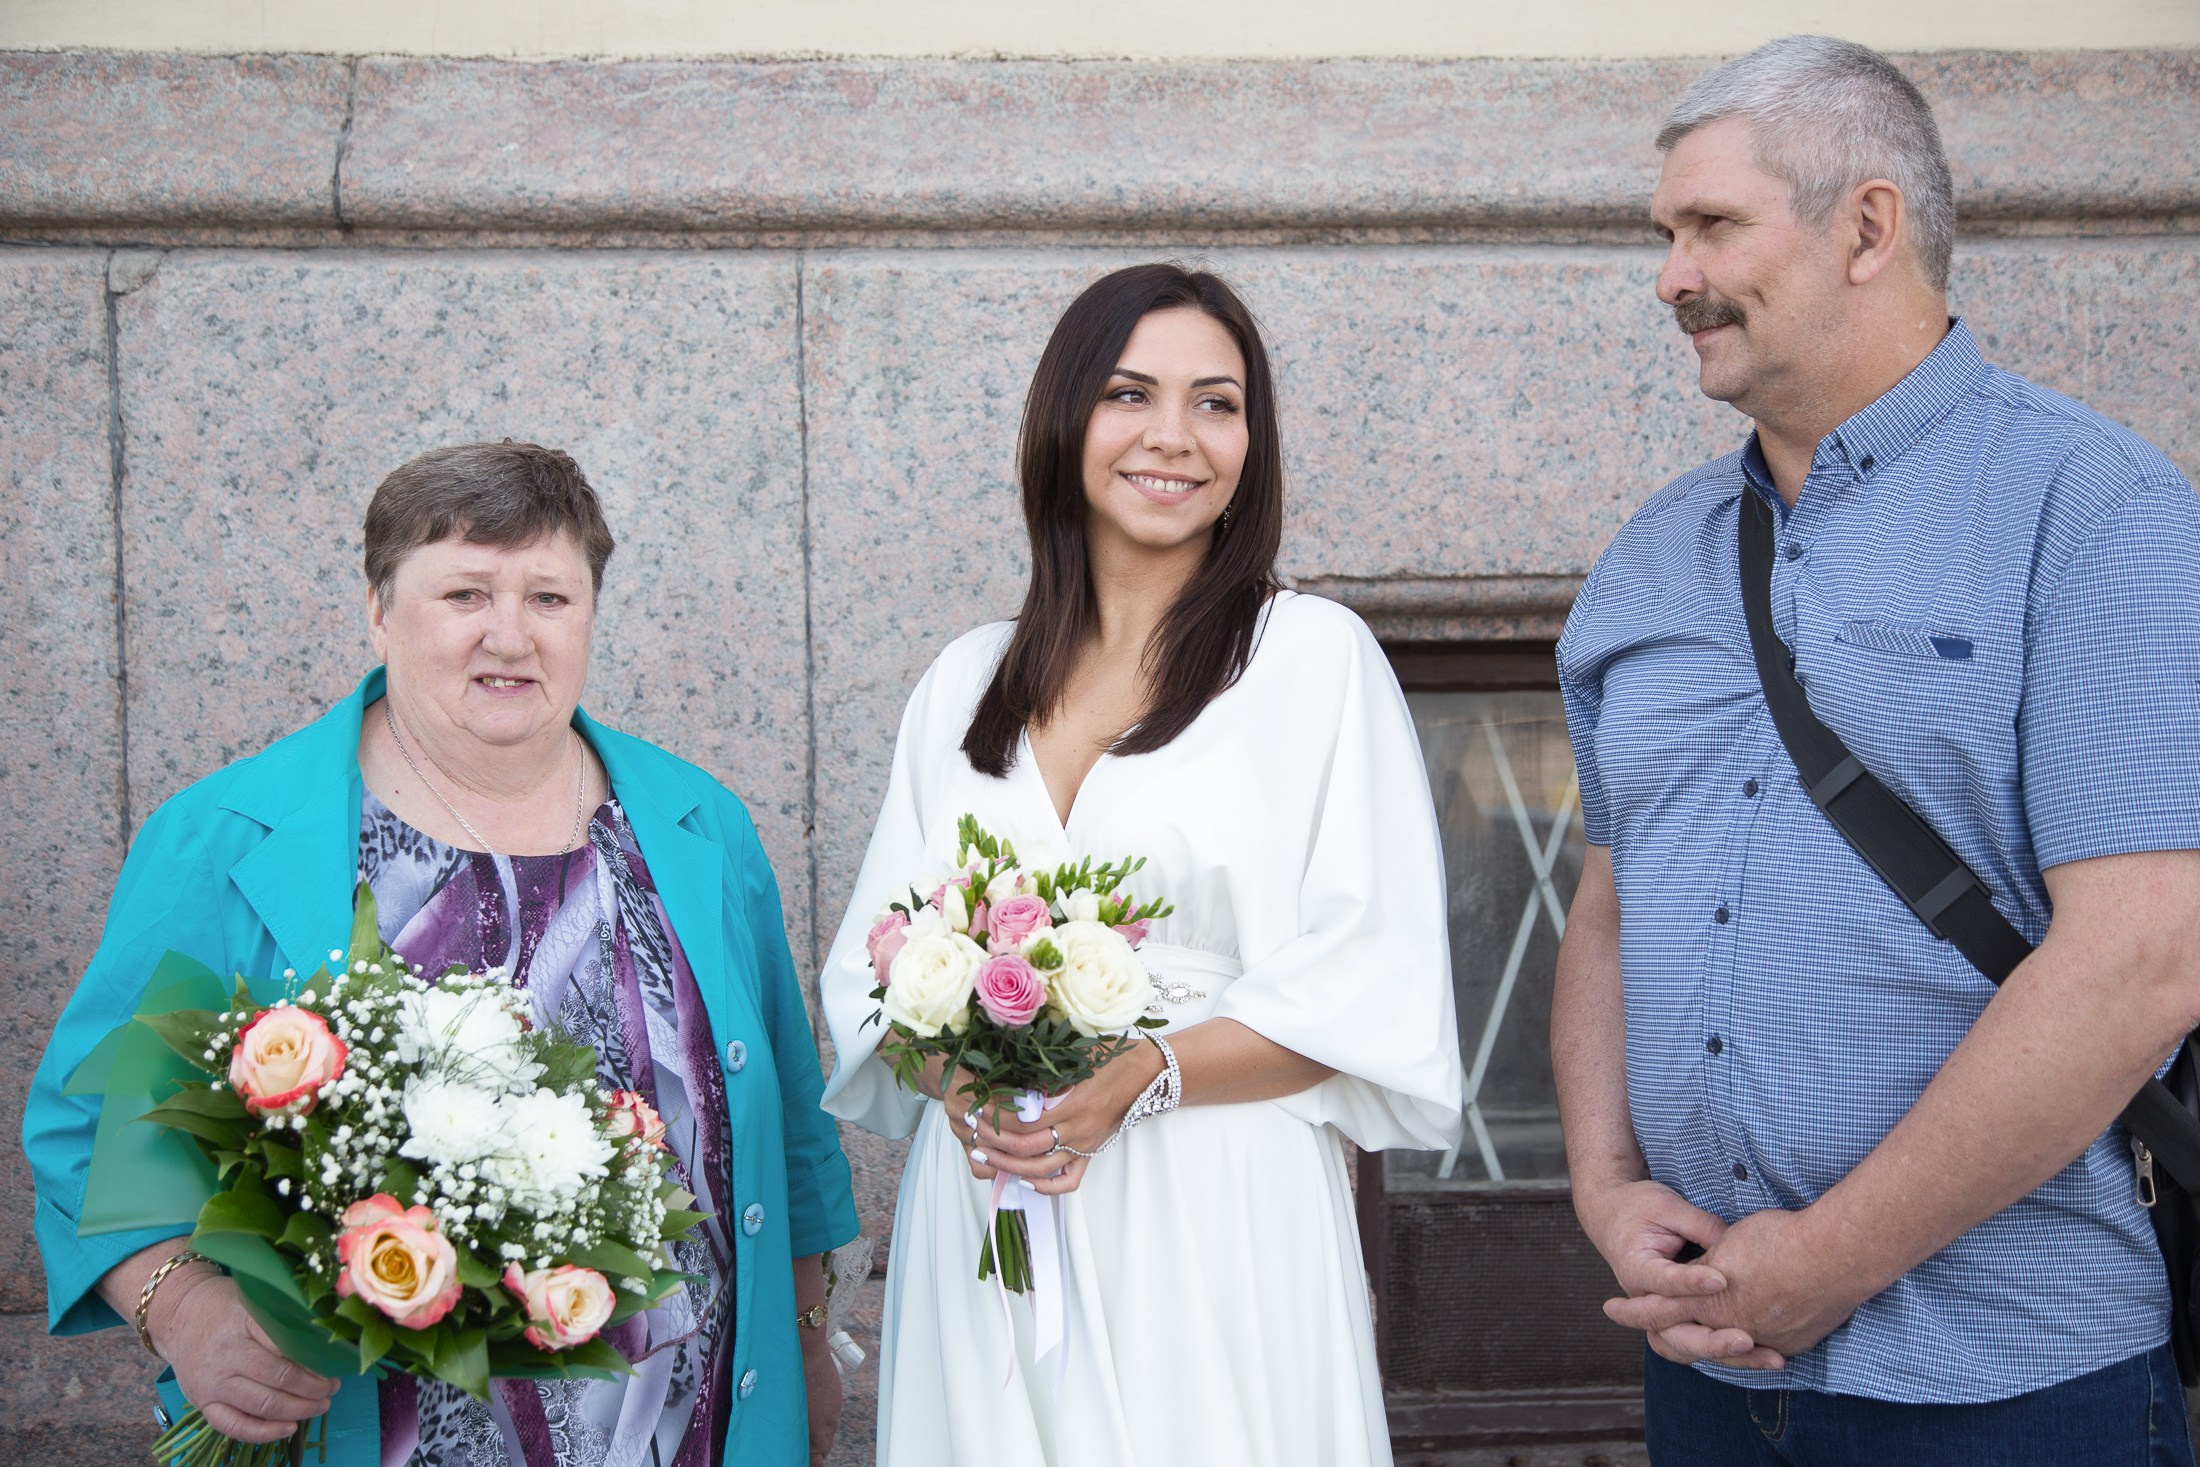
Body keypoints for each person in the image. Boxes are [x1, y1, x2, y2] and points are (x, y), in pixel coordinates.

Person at [1551, 34, 2200, 1466]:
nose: (1671, 275)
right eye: (1665, 234)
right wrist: (1606, 1187)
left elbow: (2143, 956)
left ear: (1867, 225)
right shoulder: (1649, 559)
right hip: (1708, 1376)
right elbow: (1611, 901)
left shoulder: (2096, 512)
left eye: (1711, 225)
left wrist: (1832, 1254)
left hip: (2014, 1389)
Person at [24, 442, 860, 1467]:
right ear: (378, 609)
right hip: (369, 1432)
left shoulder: (699, 828)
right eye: (464, 591)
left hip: (687, 1428)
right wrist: (185, 1309)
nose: (508, 634)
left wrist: (811, 1339)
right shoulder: (229, 838)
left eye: (549, 597)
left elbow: (787, 1132)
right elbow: (87, 1127)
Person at [818, 263, 1464, 1465]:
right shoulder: (965, 680)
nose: (1175, 437)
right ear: (1066, 421)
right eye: (1130, 394)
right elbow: (876, 971)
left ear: (1252, 444)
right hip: (994, 1200)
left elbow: (1367, 975)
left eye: (1217, 404)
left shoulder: (1309, 660)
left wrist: (1139, 1076)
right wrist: (965, 1092)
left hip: (1211, 1196)